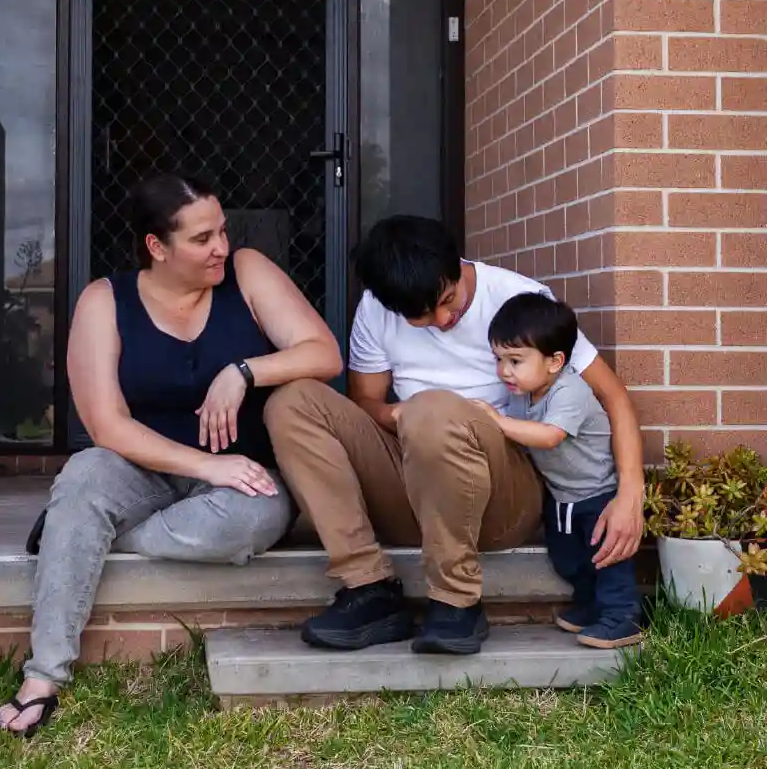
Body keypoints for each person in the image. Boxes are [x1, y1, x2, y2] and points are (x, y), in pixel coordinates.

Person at [0, 173, 343, 737]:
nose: (222, 248)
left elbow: (323, 353)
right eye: (203, 239)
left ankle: (77, 533)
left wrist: (244, 371)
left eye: (223, 231)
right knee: (85, 476)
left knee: (257, 517)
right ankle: (42, 679)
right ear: (158, 247)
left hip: (241, 476)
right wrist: (205, 463)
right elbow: (105, 422)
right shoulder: (104, 301)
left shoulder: (248, 273)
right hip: (141, 464)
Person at [265, 215, 644, 656]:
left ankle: (455, 601)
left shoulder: (521, 299)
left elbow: (613, 396)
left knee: (436, 408)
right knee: (293, 402)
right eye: (422, 318)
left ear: (456, 263)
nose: (444, 320)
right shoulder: (376, 308)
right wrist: (399, 414)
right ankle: (367, 587)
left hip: (501, 499)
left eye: (448, 301)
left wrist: (630, 492)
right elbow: (365, 405)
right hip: (414, 482)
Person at [473, 292, 642, 648]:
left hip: (598, 494)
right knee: (569, 557)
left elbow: (550, 436)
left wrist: (496, 421)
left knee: (606, 557)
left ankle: (621, 616)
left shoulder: (570, 390)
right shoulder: (523, 392)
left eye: (515, 360)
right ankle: (591, 605)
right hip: (562, 494)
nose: (504, 370)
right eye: (499, 359)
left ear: (555, 361)